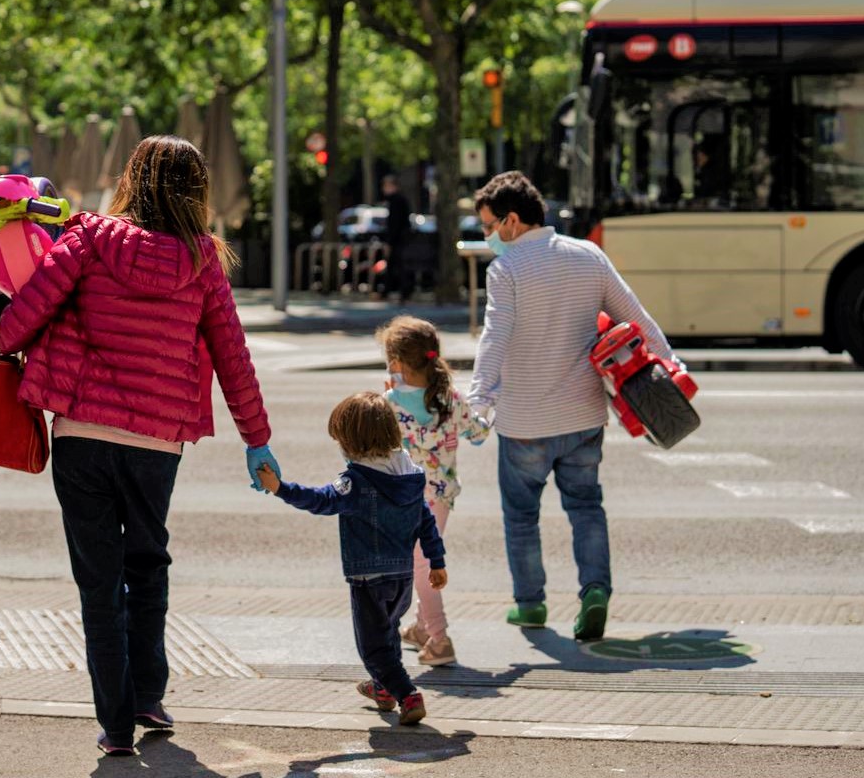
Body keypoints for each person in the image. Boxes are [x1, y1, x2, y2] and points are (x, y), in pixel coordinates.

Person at [0, 135, 277, 757]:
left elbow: (21, 320)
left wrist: (2, 345)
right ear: (197, 192)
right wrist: (256, 441)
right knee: (148, 563)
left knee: (99, 582)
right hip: (157, 441)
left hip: (82, 436)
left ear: (131, 178)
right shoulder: (203, 260)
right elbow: (233, 355)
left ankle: (116, 725)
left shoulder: (88, 238)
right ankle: (150, 693)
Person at [467, 171, 679, 642]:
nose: (486, 237)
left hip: (524, 421)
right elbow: (636, 317)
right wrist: (670, 365)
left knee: (522, 517)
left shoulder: (506, 270)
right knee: (586, 507)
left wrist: (479, 398)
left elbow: (495, 336)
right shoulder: (589, 255)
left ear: (512, 221)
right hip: (584, 417)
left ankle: (530, 605)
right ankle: (595, 593)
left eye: (487, 226)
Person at [256, 391, 445, 727]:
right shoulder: (410, 475)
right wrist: (436, 560)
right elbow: (425, 520)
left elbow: (321, 501)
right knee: (387, 634)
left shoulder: (355, 481)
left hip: (368, 580)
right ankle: (383, 689)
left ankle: (407, 694)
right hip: (401, 577)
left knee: (373, 647)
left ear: (352, 444)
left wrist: (279, 488)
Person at [376, 316, 489, 666]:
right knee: (425, 557)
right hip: (440, 496)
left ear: (395, 363)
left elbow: (376, 449)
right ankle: (423, 627)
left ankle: (440, 639)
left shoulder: (390, 403)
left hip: (404, 498)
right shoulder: (450, 399)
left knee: (421, 565)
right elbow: (479, 434)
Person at [379, 175, 413, 302]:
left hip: (397, 240)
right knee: (397, 266)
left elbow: (394, 223)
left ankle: (397, 291)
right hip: (402, 239)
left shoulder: (395, 201)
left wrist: (389, 241)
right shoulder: (400, 200)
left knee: (397, 266)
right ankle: (397, 291)